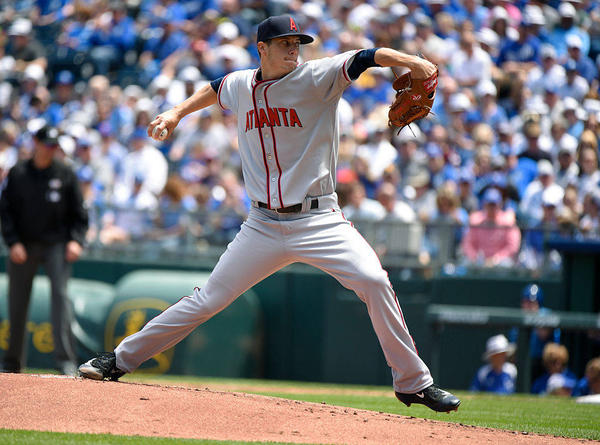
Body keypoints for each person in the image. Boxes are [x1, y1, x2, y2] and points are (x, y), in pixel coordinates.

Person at [78, 14, 460, 413]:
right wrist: (176, 112)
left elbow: (366, 56)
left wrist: (411, 63)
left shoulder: (317, 76)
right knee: (208, 299)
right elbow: (215, 89)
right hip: (261, 224)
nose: (294, 49)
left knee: (373, 281)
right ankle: (118, 361)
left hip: (318, 219)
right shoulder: (242, 83)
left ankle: (414, 383)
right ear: (262, 48)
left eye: (297, 43)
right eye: (285, 43)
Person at [0, 125, 88, 375]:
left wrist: (76, 240)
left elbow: (80, 213)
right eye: (47, 145)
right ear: (35, 144)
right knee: (17, 302)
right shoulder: (18, 173)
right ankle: (11, 362)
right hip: (23, 245)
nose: (50, 150)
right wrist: (12, 241)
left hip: (56, 244)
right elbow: (5, 212)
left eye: (54, 146)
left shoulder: (65, 172)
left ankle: (65, 362)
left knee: (60, 298)